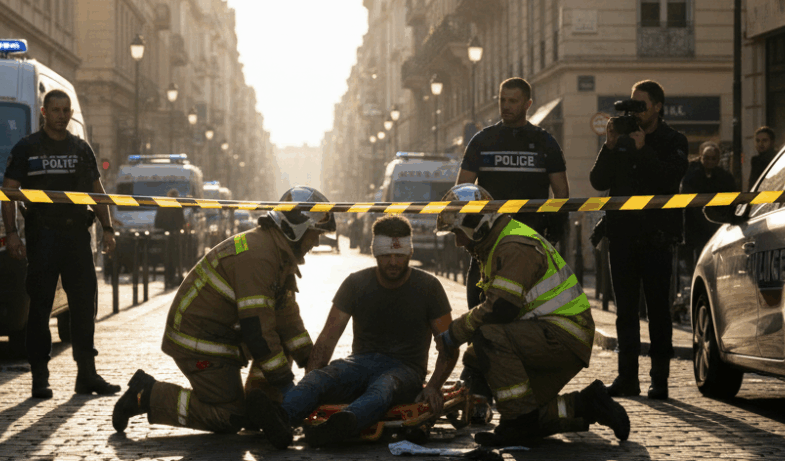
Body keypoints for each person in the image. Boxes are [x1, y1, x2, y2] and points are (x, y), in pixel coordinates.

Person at [111, 186, 333, 436]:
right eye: (315, 234)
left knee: (278, 340)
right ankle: (147, 395)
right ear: (296, 229)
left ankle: (261, 404)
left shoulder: (275, 252)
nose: (316, 242)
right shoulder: (259, 257)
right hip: (198, 341)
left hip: (219, 335)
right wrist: (286, 385)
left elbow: (288, 319)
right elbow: (257, 331)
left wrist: (314, 368)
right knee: (229, 416)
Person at [433, 184, 629, 446]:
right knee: (530, 412)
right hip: (554, 335)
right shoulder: (498, 244)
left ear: (475, 223)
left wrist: (454, 334)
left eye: (458, 232)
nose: (458, 242)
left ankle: (516, 424)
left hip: (561, 335)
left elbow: (499, 310)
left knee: (488, 337)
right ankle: (588, 404)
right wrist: (472, 372)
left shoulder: (513, 246)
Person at [246, 215, 458, 449]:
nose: (394, 262)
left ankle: (342, 425)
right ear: (376, 254)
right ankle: (282, 421)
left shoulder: (429, 287)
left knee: (384, 386)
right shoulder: (356, 283)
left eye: (400, 255)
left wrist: (433, 386)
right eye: (387, 255)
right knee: (319, 378)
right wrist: (312, 382)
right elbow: (328, 338)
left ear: (410, 253)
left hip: (405, 370)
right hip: (359, 363)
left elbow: (449, 345)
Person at [455, 77, 569, 415]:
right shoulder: (482, 140)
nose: (506, 106)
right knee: (481, 309)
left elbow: (561, 194)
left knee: (523, 319)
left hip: (528, 251)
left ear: (528, 104)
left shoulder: (545, 142)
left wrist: (552, 235)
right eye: (503, 99)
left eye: (514, 101)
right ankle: (479, 390)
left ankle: (515, 388)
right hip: (487, 249)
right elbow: (462, 191)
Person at [2, 89, 119, 399]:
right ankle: (39, 377)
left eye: (66, 110)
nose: (62, 115)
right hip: (44, 237)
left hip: (77, 237)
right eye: (56, 110)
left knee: (84, 307)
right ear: (44, 111)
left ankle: (87, 375)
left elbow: (97, 190)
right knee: (39, 308)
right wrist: (11, 233)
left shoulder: (81, 149)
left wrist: (107, 228)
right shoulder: (26, 148)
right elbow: (9, 192)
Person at [589, 80, 689, 400]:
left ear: (658, 106)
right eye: (632, 103)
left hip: (657, 237)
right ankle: (626, 378)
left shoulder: (674, 140)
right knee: (626, 312)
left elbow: (669, 179)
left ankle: (660, 379)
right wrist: (609, 144)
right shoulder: (620, 135)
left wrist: (643, 149)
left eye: (641, 104)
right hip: (621, 236)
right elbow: (598, 181)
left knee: (658, 310)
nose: (635, 110)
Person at [680, 142, 736, 269]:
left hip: (716, 224)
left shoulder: (724, 177)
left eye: (713, 158)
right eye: (706, 158)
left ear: (718, 159)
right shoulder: (691, 174)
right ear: (701, 157)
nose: (709, 161)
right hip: (695, 225)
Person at [154, 188, 186, 281]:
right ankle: (174, 276)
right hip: (175, 235)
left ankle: (169, 277)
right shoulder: (177, 206)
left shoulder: (163, 205)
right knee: (176, 256)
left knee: (167, 256)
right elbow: (181, 221)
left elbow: (157, 222)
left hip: (165, 235)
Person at [749, 126, 778, 190]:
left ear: (772, 142)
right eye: (757, 141)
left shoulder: (777, 159)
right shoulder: (755, 161)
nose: (760, 144)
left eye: (764, 140)